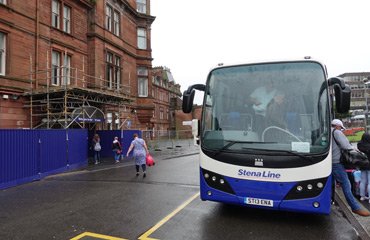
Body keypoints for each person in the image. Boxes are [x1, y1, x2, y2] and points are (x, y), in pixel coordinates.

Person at [331, 119, 370, 216]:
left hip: (328, 162)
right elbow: (346, 146)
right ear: (337, 126)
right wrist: (355, 151)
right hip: (336, 162)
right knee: (346, 183)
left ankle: (330, 201)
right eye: (341, 128)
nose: (341, 130)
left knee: (331, 184)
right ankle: (355, 207)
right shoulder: (337, 132)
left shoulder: (326, 132)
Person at [357, 132, 370, 202]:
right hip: (369, 165)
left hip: (362, 165)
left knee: (363, 181)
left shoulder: (359, 145)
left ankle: (362, 196)